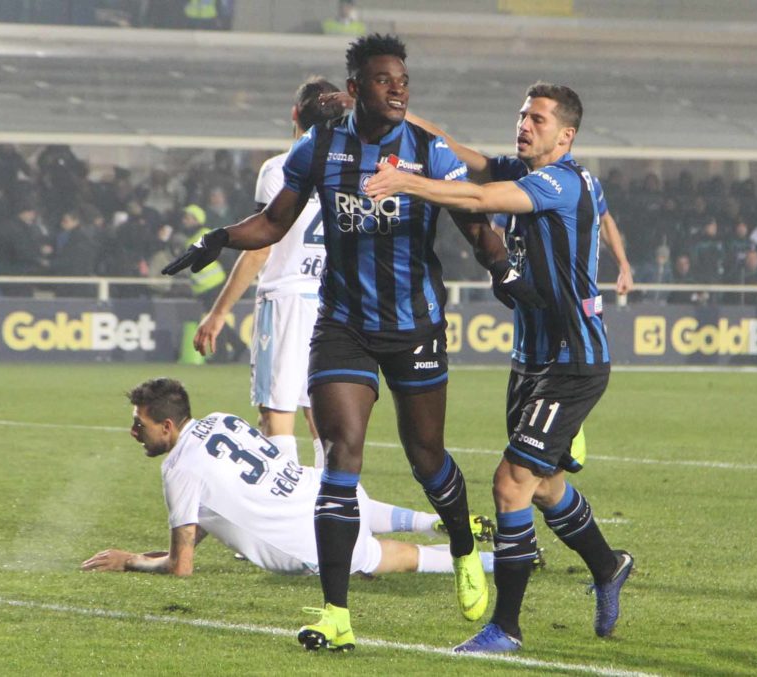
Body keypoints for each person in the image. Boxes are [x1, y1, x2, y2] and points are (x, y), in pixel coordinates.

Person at [162, 34, 543, 652]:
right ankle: (336, 614)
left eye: (403, 80)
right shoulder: (320, 146)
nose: (399, 90)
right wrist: (219, 238)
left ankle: (463, 548)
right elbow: (274, 222)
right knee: (341, 457)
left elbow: (476, 225)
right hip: (342, 325)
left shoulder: (428, 150)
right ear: (356, 88)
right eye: (385, 80)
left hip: (415, 325)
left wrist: (503, 271)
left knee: (427, 458)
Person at [366, 81, 635, 653]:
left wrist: (405, 181)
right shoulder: (528, 170)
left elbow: (478, 198)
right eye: (522, 115)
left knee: (510, 483)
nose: (524, 125)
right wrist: (396, 116)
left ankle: (506, 628)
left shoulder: (559, 183)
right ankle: (608, 565)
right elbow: (456, 151)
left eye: (537, 119)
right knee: (544, 487)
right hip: (531, 360)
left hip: (572, 360)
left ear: (566, 135)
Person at [81, 378, 497, 580]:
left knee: (401, 557)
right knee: (356, 510)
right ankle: (432, 521)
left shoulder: (178, 469)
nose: (134, 432)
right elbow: (207, 517)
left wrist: (130, 561)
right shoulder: (221, 419)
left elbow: (181, 567)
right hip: (326, 489)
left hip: (307, 543)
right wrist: (160, 551)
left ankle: (502, 562)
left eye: (140, 425)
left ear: (168, 425)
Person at [193, 76, 344, 469]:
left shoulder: (280, 168)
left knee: (276, 411)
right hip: (332, 304)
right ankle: (336, 498)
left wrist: (219, 312)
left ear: (294, 114)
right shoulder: (349, 172)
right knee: (321, 414)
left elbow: (261, 246)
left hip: (285, 298)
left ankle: (286, 499)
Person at [180, 203, 246, 361]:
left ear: (197, 220)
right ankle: (237, 346)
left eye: (188, 218)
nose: (184, 220)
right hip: (205, 288)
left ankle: (221, 355)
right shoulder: (193, 238)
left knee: (215, 318)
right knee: (215, 318)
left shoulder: (204, 235)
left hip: (214, 285)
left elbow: (224, 256)